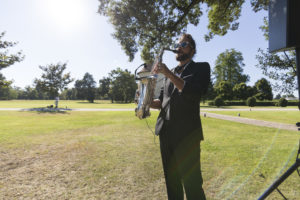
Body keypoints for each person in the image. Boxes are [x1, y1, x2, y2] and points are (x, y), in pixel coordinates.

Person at [151, 33, 210, 200]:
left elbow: (193, 92)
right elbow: (161, 101)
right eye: (178, 44)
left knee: (192, 184)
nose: (179, 47)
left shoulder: (201, 67)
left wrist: (168, 74)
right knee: (172, 182)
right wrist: (146, 101)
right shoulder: (170, 73)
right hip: (166, 134)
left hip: (187, 136)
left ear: (192, 50)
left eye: (184, 44)